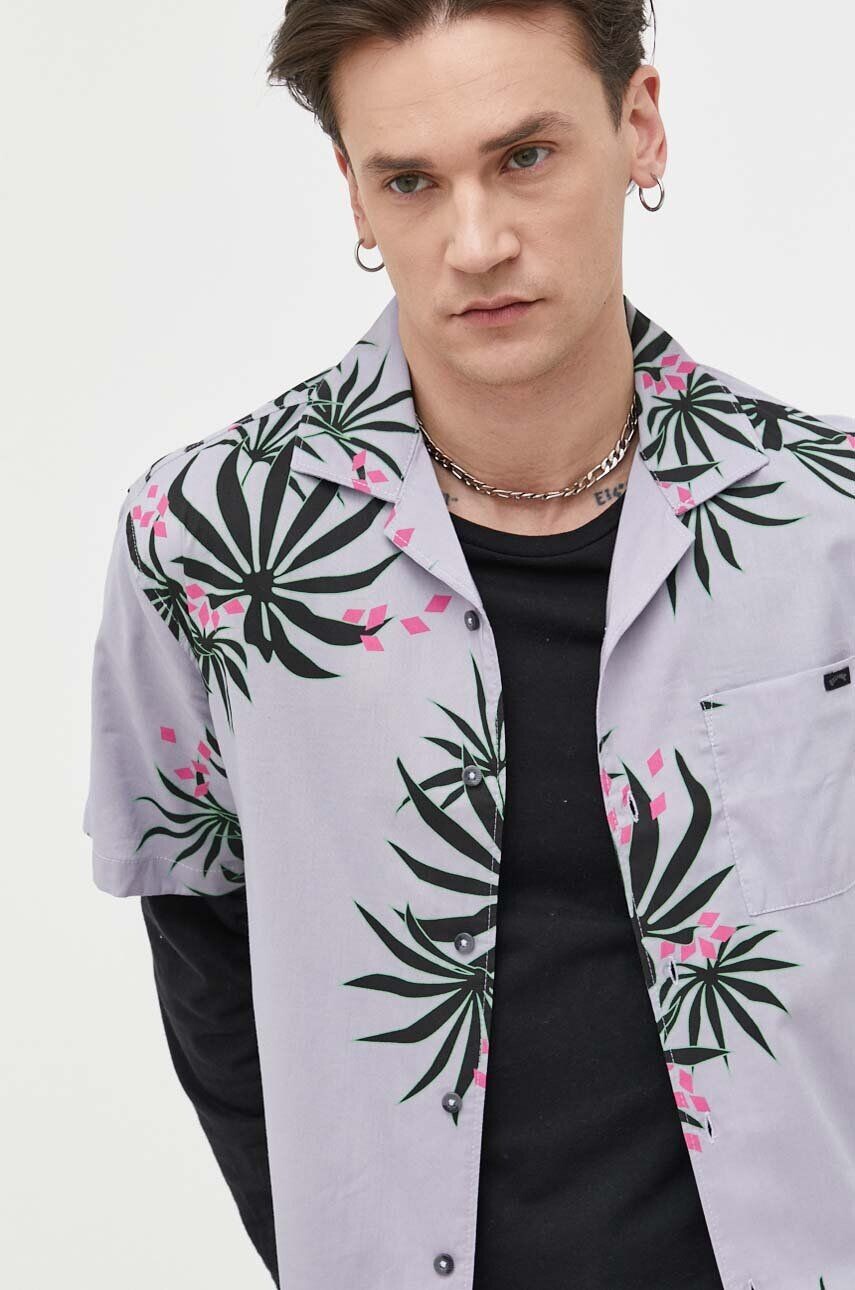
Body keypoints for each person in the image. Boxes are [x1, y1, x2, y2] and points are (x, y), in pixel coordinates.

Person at [83, 3, 855, 1288]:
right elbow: (201, 941)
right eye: (411, 182)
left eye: (526, 157)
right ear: (354, 192)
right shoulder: (211, 542)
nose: (478, 242)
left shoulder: (826, 520)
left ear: (640, 127)